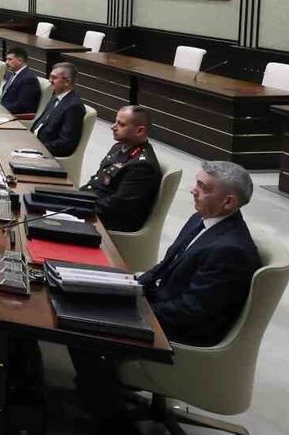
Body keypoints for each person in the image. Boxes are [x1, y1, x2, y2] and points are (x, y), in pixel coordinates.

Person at [69, 161, 260, 434]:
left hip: (182, 333)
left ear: (229, 201)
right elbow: (166, 265)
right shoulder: (202, 220)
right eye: (196, 182)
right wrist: (131, 285)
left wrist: (135, 308)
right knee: (85, 300)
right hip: (165, 306)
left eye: (203, 187)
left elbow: (192, 312)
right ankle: (96, 391)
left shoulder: (230, 250)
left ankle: (112, 422)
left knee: (81, 327)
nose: (193, 190)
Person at [82, 105, 162, 233]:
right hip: (94, 204)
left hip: (107, 223)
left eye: (121, 124)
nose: (113, 127)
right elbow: (97, 181)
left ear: (140, 131)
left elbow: (118, 205)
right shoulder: (119, 147)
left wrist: (78, 208)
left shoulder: (142, 166)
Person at [30, 62, 85, 157]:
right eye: (50, 77)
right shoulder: (56, 97)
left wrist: (38, 148)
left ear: (67, 81)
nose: (49, 80)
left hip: (46, 152)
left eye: (54, 78)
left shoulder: (74, 107)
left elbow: (65, 143)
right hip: (34, 142)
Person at [0, 47, 40, 116]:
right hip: (4, 111)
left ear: (20, 60)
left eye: (10, 59)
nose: (6, 62)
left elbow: (22, 105)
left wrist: (0, 110)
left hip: (15, 116)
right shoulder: (14, 74)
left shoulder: (29, 79)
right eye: (7, 59)